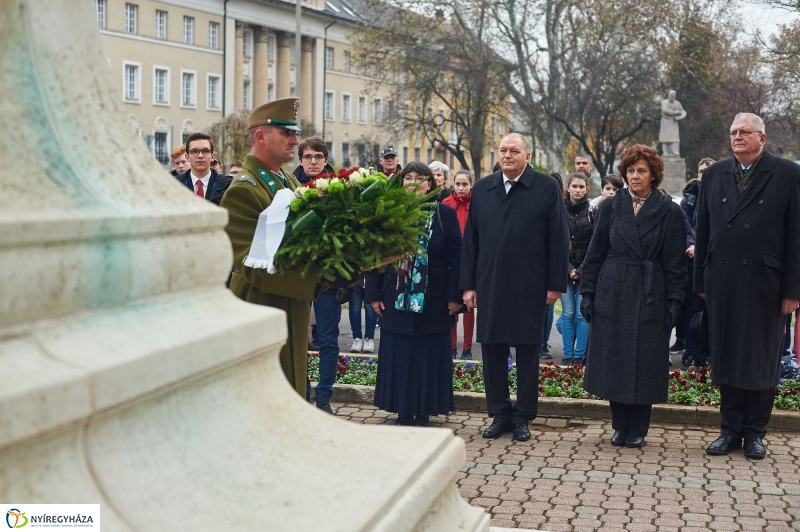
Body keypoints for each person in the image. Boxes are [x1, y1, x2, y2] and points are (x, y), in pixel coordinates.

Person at [696, 113, 800, 460]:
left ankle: (755, 432)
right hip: (723, 281)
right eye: (733, 132)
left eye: (744, 132)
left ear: (762, 138)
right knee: (727, 357)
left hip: (765, 283)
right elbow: (704, 231)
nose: (737, 137)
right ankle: (729, 430)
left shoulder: (787, 174)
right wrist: (701, 281)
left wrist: (792, 290)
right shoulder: (713, 174)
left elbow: (796, 236)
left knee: (759, 359)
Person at [461, 133, 569, 442]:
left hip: (530, 284)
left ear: (527, 155)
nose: (507, 155)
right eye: (503, 150)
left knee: (527, 352)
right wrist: (468, 286)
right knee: (492, 350)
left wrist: (554, 285)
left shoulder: (546, 188)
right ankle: (499, 413)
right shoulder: (483, 188)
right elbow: (471, 241)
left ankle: (522, 416)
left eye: (514, 151)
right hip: (490, 282)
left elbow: (558, 240)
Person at [579, 144, 686, 449]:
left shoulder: (669, 211)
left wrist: (676, 301)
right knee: (614, 357)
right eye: (630, 170)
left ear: (654, 175)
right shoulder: (611, 207)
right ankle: (619, 424)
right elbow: (595, 252)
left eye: (641, 170)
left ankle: (638, 426)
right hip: (613, 289)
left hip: (650, 291)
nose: (635, 176)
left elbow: (675, 263)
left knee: (645, 361)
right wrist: (588, 292)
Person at [220, 97, 321, 398]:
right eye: (286, 133)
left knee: (289, 395)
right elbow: (252, 266)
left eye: (294, 132)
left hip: (290, 308)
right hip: (262, 310)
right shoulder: (244, 190)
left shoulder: (286, 180)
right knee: (265, 399)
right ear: (261, 136)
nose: (294, 140)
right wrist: (319, 280)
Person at [367, 162, 463, 426]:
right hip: (394, 297)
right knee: (401, 352)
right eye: (407, 178)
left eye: (419, 178)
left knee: (428, 354)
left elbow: (458, 258)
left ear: (430, 184)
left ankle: (424, 411)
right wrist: (373, 293)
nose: (412, 182)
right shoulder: (389, 214)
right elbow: (376, 258)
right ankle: (403, 410)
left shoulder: (445, 215)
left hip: (434, 300)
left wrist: (455, 295)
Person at [294, 137, 340, 414]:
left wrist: (348, 279)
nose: (313, 161)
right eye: (308, 156)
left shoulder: (339, 189)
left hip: (328, 278)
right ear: (300, 159)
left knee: (328, 339)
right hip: (295, 276)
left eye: (318, 157)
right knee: (296, 337)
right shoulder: (287, 185)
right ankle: (301, 389)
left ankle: (323, 397)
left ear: (325, 159)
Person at [679, 157, 715, 368]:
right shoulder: (688, 199)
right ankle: (692, 354)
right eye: (701, 171)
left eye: (708, 170)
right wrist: (693, 247)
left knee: (713, 311)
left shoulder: (723, 195)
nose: (704, 174)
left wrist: (701, 248)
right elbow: (684, 227)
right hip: (692, 264)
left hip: (714, 262)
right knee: (693, 310)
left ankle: (710, 353)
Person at [561, 173, 593, 365]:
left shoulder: (592, 211)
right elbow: (556, 242)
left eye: (581, 187)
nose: (578, 190)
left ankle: (580, 355)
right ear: (568, 188)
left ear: (586, 189)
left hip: (585, 270)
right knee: (567, 313)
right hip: (564, 270)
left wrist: (580, 269)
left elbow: (595, 244)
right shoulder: (559, 210)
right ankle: (567, 354)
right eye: (575, 186)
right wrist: (568, 267)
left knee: (582, 313)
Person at [443, 169, 475, 359]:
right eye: (458, 184)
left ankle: (468, 348)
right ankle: (452, 346)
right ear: (453, 185)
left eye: (465, 184)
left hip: (470, 260)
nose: (461, 188)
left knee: (469, 305)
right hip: (451, 261)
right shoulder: (446, 204)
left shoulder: (477, 205)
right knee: (452, 304)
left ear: (471, 185)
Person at [541, 171, 565, 360]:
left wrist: (555, 282)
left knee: (548, 309)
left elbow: (559, 242)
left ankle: (543, 341)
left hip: (549, 268)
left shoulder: (559, 209)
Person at [174, 132, 232, 206]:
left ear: (213, 156)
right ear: (187, 157)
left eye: (205, 151)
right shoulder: (175, 184)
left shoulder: (226, 185)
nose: (200, 156)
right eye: (194, 151)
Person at [659, 90, 687, 156]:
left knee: (674, 137)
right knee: (665, 137)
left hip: (674, 122)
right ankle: (665, 152)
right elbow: (665, 110)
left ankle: (675, 151)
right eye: (670, 95)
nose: (671, 97)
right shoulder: (664, 102)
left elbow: (682, 111)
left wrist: (680, 113)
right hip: (666, 121)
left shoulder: (677, 103)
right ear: (668, 95)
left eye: (673, 95)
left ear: (675, 96)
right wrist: (676, 112)